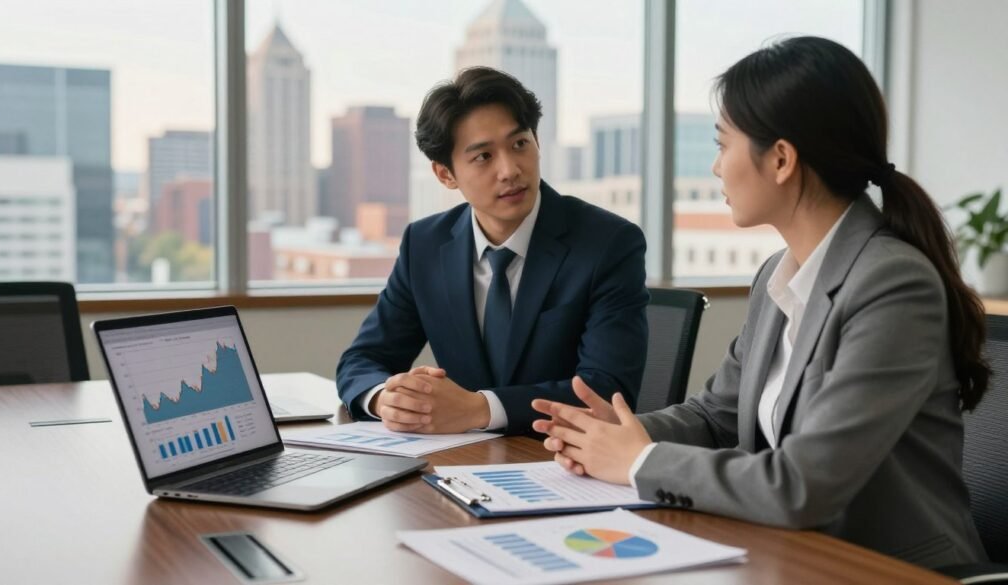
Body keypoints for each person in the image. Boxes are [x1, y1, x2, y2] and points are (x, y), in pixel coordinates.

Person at [533, 36, 989, 568]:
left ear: (780, 159)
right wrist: (619, 437)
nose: (716, 167)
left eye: (723, 145)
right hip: (790, 556)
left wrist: (640, 462)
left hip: (886, 569)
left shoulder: (893, 284)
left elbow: (802, 485)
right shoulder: (779, 275)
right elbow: (715, 416)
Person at [337, 66, 648, 436]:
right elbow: (363, 359)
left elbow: (606, 389)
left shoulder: (608, 243)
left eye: (520, 144)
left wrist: (478, 409)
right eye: (483, 156)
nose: (510, 170)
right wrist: (385, 399)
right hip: (460, 464)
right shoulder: (425, 244)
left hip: (560, 461)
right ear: (445, 175)